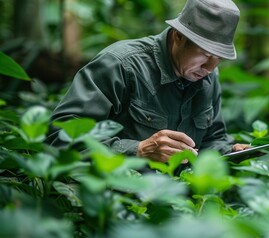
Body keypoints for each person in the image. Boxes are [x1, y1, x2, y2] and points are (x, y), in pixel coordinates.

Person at [47, 0, 249, 163]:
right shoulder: (120, 65)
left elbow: (212, 140)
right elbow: (60, 137)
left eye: (219, 59)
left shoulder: (207, 76)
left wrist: (230, 150)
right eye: (205, 54)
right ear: (178, 36)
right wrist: (138, 150)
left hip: (179, 200)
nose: (211, 68)